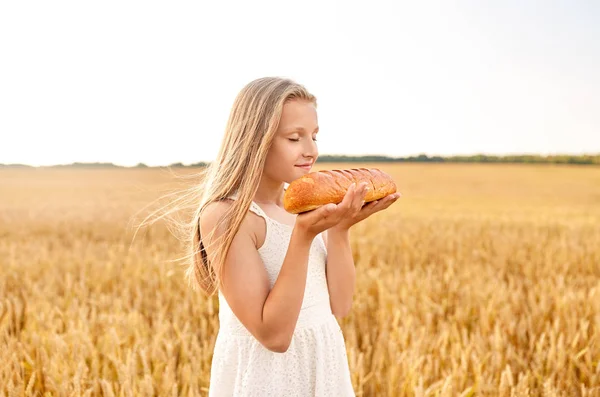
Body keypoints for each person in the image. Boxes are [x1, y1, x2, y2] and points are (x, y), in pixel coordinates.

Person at [192, 77, 400, 396]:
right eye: (294, 138)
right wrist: (303, 236)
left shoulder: (309, 206)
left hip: (324, 363)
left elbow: (340, 306)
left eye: (314, 136)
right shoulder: (227, 217)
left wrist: (340, 229)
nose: (311, 150)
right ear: (254, 140)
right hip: (267, 379)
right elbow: (274, 336)